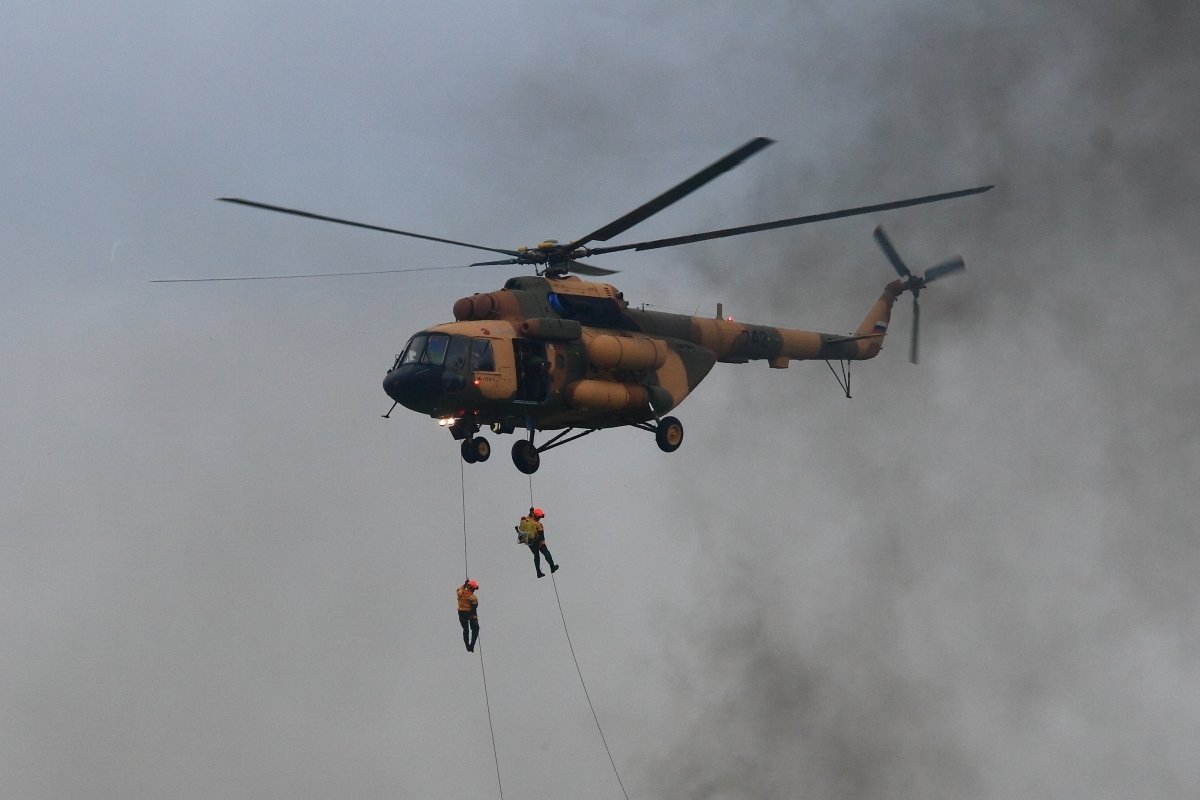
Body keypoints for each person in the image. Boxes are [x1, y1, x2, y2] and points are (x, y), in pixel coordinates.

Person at [516, 507, 558, 578]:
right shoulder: (538, 525)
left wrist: (531, 511)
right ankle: (552, 567)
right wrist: (541, 544)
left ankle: (538, 572)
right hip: (538, 542)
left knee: (536, 556)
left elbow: (530, 514)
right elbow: (541, 536)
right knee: (546, 553)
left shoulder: (528, 519)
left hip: (530, 542)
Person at [457, 579, 479, 652]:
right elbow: (474, 608)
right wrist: (473, 617)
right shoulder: (473, 597)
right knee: (475, 629)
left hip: (461, 613)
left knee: (465, 630)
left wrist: (464, 584)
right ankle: (471, 645)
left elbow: (459, 589)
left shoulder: (460, 593)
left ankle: (467, 645)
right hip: (469, 613)